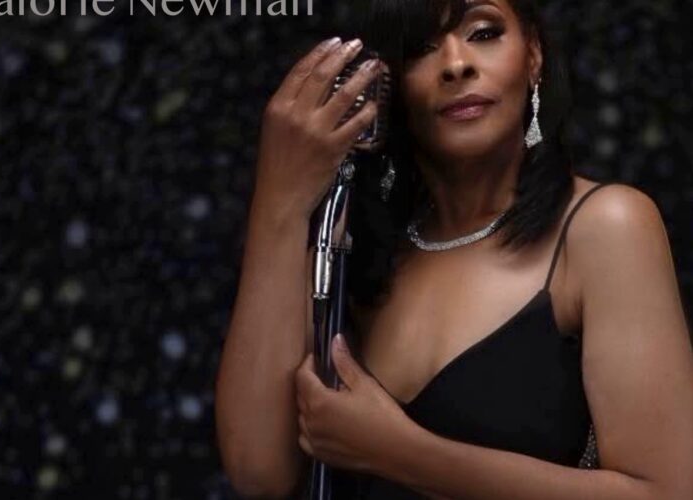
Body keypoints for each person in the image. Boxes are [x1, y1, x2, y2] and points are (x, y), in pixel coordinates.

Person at [214, 0, 693, 498]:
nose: (456, 64)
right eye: (421, 47)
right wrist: (279, 201)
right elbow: (257, 471)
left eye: (483, 33)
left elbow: (666, 494)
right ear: (386, 82)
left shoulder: (604, 226)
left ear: (533, 55)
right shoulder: (353, 243)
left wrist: (399, 452)